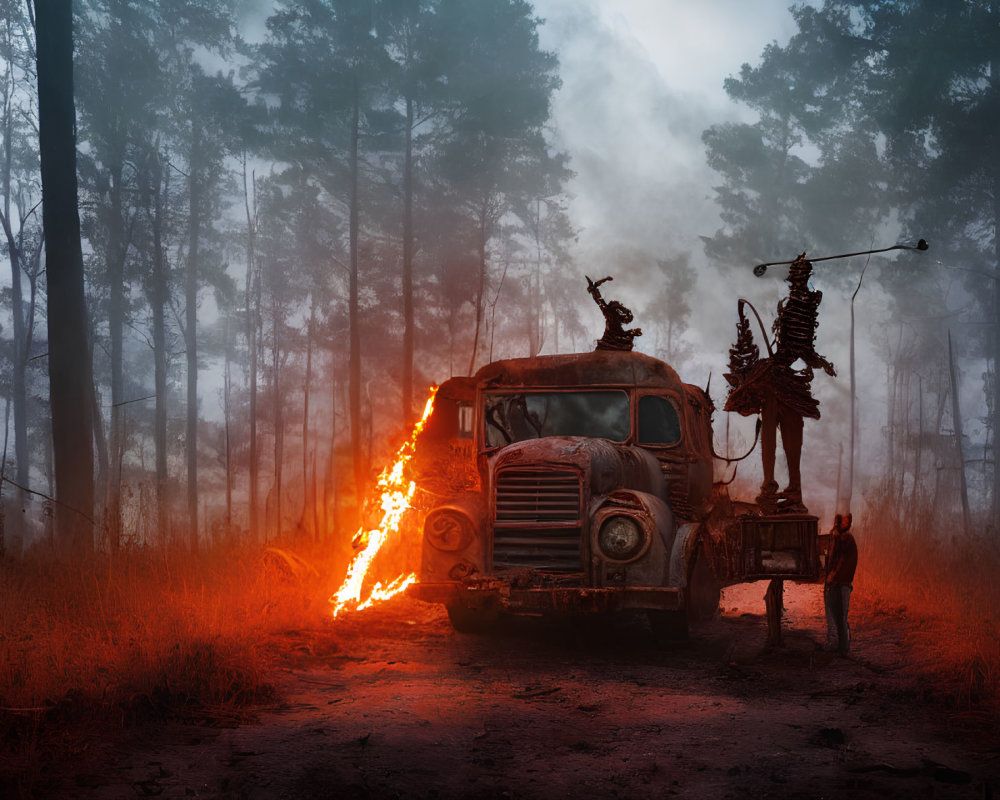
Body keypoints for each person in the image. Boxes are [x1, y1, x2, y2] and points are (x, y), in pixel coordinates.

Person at [824, 513, 858, 655]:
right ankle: (837, 646)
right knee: (833, 614)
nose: (845, 522)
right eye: (843, 519)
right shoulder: (836, 537)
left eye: (847, 520)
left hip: (842, 582)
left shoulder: (847, 538)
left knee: (841, 616)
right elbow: (832, 558)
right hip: (835, 582)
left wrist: (832, 575)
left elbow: (842, 559)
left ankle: (843, 648)